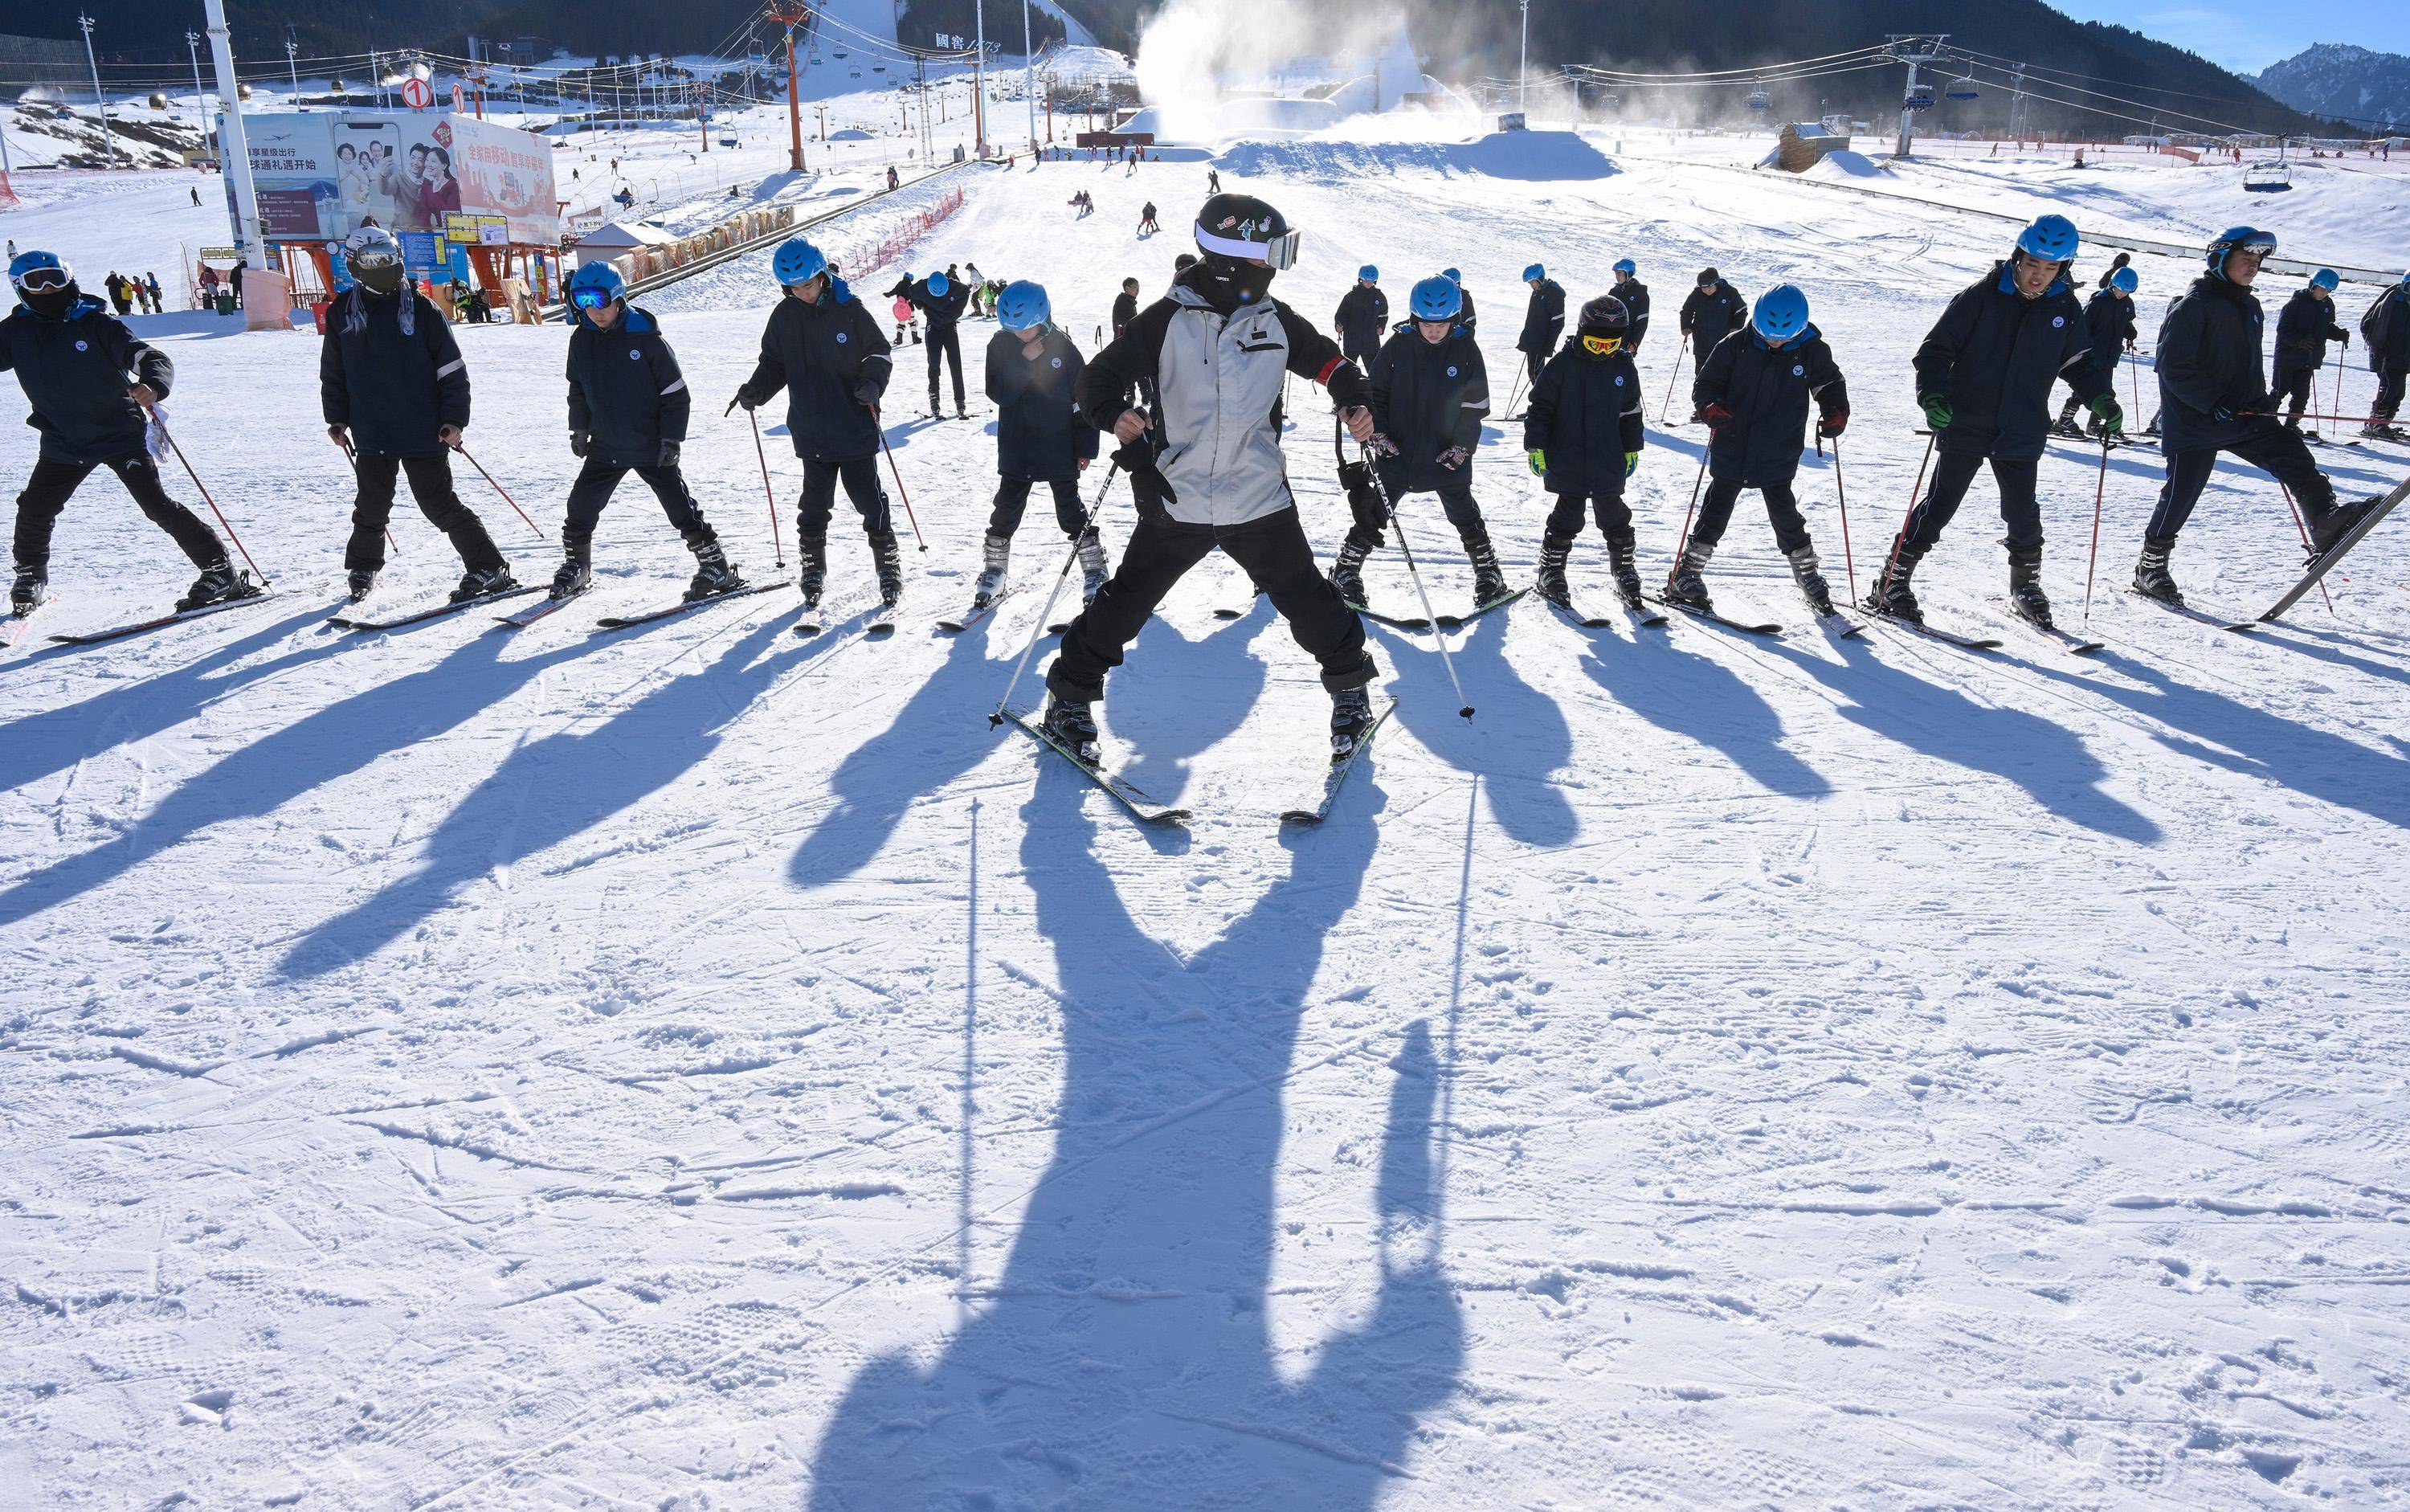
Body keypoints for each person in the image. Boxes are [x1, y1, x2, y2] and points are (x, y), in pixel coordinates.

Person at [1047, 192, 1383, 764]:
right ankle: (1068, 701)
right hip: (1179, 499)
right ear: (1233, 260)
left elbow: (1334, 365)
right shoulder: (1163, 322)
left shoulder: (1277, 321)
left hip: (1257, 496)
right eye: (1269, 254)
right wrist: (1114, 416)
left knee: (1309, 600)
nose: (1275, 266)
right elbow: (1094, 383)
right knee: (1126, 604)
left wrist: (1353, 400)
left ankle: (1351, 692)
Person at [1867, 215, 2121, 629]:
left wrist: (2101, 399)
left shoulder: (2064, 308)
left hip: (2023, 426)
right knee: (1940, 505)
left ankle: (2026, 585)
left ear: (2064, 269)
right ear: (2019, 256)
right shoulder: (1980, 298)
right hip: (1966, 421)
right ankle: (1893, 580)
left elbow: (2079, 363)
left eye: (2050, 268)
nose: (2039, 276)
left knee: (2022, 512)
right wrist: (1932, 397)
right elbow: (1934, 353)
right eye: (2033, 264)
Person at [2132, 227, 2383, 605]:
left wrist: (2261, 399)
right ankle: (2150, 567)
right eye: (2245, 259)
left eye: (2257, 261)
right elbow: (2172, 367)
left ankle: (2324, 522)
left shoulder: (2249, 305)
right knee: (2182, 493)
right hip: (2197, 421)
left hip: (2243, 413)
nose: (2253, 266)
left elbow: (2245, 363)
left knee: (2294, 454)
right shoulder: (2193, 306)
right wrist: (2212, 401)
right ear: (2220, 260)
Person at [3, 251, 247, 616]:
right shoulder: (14, 332)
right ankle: (30, 576)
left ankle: (219, 571)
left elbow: (151, 358)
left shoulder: (97, 324)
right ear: (20, 288)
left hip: (120, 434)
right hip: (63, 440)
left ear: (69, 279)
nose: (48, 288)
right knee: (36, 508)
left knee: (157, 506)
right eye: (37, 282)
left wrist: (153, 384)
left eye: (54, 278)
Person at [321, 228, 512, 604]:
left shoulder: (422, 310)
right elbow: (335, 372)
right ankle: (364, 566)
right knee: (371, 505)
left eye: (389, 257)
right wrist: (337, 418)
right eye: (375, 260)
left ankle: (488, 567)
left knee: (438, 504)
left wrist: (454, 420)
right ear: (355, 265)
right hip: (372, 429)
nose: (385, 266)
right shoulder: (342, 311)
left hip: (423, 428)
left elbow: (452, 370)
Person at [730, 236, 900, 611]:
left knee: (868, 499)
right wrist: (757, 390)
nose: (802, 292)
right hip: (811, 428)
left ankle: (887, 562)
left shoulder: (850, 310)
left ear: (822, 276)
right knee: (814, 504)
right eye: (794, 287)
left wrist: (872, 383)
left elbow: (879, 352)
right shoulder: (784, 316)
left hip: (853, 423)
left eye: (808, 284)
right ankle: (813, 567)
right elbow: (774, 363)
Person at [550, 260, 734, 603]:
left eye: (599, 299)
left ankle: (716, 565)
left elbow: (676, 394)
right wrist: (579, 428)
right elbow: (577, 388)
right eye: (583, 301)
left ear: (618, 297)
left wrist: (671, 438)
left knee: (680, 508)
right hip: (605, 444)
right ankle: (578, 566)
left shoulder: (646, 339)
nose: (593, 310)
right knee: (581, 505)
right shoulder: (581, 340)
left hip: (650, 443)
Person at [1665, 284, 1849, 617]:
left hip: (1780, 445)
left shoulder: (1811, 351)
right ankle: (1686, 574)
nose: (1775, 342)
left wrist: (1835, 411)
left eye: (1784, 337)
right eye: (1768, 335)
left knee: (1785, 514)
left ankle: (1808, 575)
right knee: (1717, 508)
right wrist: (1710, 408)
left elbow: (1829, 384)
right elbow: (1706, 385)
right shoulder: (1734, 346)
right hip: (1734, 441)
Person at [1348, 275, 1500, 607]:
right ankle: (1347, 569)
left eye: (1441, 324)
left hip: (1446, 454)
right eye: (1427, 324)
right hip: (1399, 451)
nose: (1434, 331)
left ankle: (1489, 573)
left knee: (1464, 513)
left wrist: (1463, 447)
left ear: (1454, 320)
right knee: (1376, 510)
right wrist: (1379, 433)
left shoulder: (1465, 349)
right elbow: (1376, 395)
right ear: (1415, 318)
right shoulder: (1397, 346)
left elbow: (1474, 407)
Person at [974, 280, 1105, 611]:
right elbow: (999, 393)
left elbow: (1083, 401)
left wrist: (1085, 446)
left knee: (1070, 512)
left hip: (1059, 445)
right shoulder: (1001, 346)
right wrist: (1024, 361)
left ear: (1044, 317)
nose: (1022, 335)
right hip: (1018, 447)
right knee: (1005, 510)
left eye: (1028, 329)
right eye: (1015, 330)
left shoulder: (1064, 347)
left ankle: (1095, 571)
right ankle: (994, 571)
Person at [1526, 293, 1646, 611]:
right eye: (1597, 344)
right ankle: (1551, 571)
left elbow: (1630, 412)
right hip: (1567, 455)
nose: (1604, 351)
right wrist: (1536, 445)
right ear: (1582, 335)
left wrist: (1632, 447)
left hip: (1608, 456)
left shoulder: (1623, 366)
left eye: (1611, 344)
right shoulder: (1562, 365)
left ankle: (1623, 569)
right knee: (1568, 514)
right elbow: (1540, 408)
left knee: (1615, 515)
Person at [2055, 266, 2138, 438]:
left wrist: (2129, 331)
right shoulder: (2098, 302)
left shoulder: (2127, 304)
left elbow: (2125, 323)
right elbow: (2082, 326)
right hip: (2092, 354)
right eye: (2119, 290)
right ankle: (2065, 420)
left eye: (2126, 292)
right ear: (2112, 285)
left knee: (2105, 391)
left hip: (2111, 354)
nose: (2122, 294)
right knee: (2086, 389)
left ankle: (2095, 424)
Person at [2272, 268, 2347, 439]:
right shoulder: (2295, 304)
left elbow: (2325, 328)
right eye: (2322, 290)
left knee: (2301, 395)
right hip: (2288, 357)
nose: (2324, 294)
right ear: (2313, 285)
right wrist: (2299, 341)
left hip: (2309, 358)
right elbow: (2283, 330)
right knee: (2280, 391)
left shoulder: (2327, 305)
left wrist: (2338, 334)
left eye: (2328, 291)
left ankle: (2291, 425)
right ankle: (2265, 423)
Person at [909, 268, 970, 419]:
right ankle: (934, 401)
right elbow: (910, 292)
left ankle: (960, 401)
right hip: (933, 328)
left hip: (950, 327)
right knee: (934, 364)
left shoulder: (956, 287)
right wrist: (922, 307)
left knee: (955, 363)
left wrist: (955, 312)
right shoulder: (921, 287)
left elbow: (966, 292)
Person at [1678, 268, 1747, 390]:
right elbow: (1686, 311)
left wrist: (1736, 327)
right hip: (1701, 342)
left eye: (1708, 287)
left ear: (1716, 283)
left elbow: (1741, 311)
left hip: (1724, 342)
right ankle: (1701, 404)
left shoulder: (1729, 292)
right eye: (1702, 288)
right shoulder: (1696, 294)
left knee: (1722, 374)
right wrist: (1686, 326)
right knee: (1701, 375)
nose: (1705, 290)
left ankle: (1722, 404)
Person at [2362, 269, 2410, 441]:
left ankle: (2383, 423)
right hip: (2386, 354)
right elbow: (2366, 324)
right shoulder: (2391, 299)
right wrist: (2379, 344)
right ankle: (2375, 423)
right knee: (2390, 388)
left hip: (2404, 356)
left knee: (2399, 392)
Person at [1513, 263, 1566, 403]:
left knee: (1537, 374)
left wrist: (1550, 343)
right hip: (1533, 340)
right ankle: (1540, 404)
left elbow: (1558, 323)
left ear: (1541, 278)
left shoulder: (1554, 293)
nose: (1532, 285)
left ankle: (1544, 405)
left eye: (1533, 282)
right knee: (1533, 373)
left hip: (1542, 342)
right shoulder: (1538, 293)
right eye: (1530, 283)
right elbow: (1532, 318)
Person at [1334, 265, 1387, 368]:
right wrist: (1338, 325)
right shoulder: (1351, 296)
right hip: (1352, 341)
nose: (1368, 283)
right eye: (1366, 281)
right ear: (1360, 279)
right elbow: (1341, 314)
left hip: (1371, 342)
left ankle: (1373, 385)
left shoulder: (1379, 297)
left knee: (1375, 371)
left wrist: (1381, 326)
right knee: (1348, 371)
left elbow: (1383, 315)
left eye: (1371, 281)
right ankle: (1349, 384)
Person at [1610, 258, 1650, 353]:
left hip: (1627, 343)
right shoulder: (1613, 292)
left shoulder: (1640, 293)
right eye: (1616, 273)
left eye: (1619, 273)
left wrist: (1634, 342)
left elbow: (1642, 321)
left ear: (1629, 274)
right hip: (1610, 341)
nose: (1617, 276)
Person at [1439, 267, 1477, 333]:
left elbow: (1471, 319)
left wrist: (1463, 334)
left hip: (1458, 334)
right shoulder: (1437, 296)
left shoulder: (1465, 296)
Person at [1110, 276, 1140, 340]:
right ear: (1127, 288)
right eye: (1135, 287)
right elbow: (1121, 322)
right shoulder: (1121, 302)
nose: (1137, 291)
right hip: (1123, 341)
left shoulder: (1130, 303)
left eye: (1138, 288)